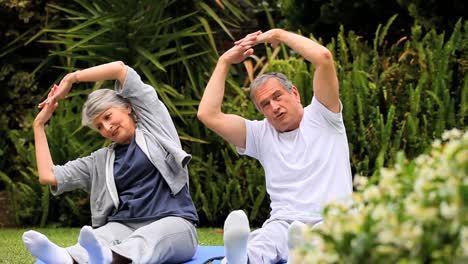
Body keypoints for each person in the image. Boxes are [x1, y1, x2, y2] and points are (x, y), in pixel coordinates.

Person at [197, 29, 353, 263]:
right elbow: (208, 114)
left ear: (295, 94)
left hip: (332, 220)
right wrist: (224, 61)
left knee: (323, 241)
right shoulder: (260, 134)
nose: (274, 107)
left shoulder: (324, 115)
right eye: (265, 104)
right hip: (284, 222)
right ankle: (240, 258)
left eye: (278, 96)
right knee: (265, 241)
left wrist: (279, 35)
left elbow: (323, 58)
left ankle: (300, 252)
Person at [23, 61, 199, 264]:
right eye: (99, 126)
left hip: (174, 224)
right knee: (100, 237)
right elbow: (48, 176)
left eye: (108, 116)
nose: (107, 127)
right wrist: (39, 125)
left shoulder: (155, 127)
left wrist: (71, 78)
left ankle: (110, 257)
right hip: (124, 226)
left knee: (151, 237)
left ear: (128, 107)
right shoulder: (100, 161)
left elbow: (120, 69)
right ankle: (67, 258)